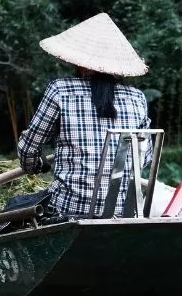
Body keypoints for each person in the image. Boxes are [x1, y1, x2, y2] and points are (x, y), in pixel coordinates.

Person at [16, 13, 152, 219]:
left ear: (80, 63)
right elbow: (145, 158)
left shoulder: (60, 91)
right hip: (124, 213)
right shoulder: (137, 98)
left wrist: (35, 166)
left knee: (15, 206)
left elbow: (28, 149)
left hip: (69, 211)